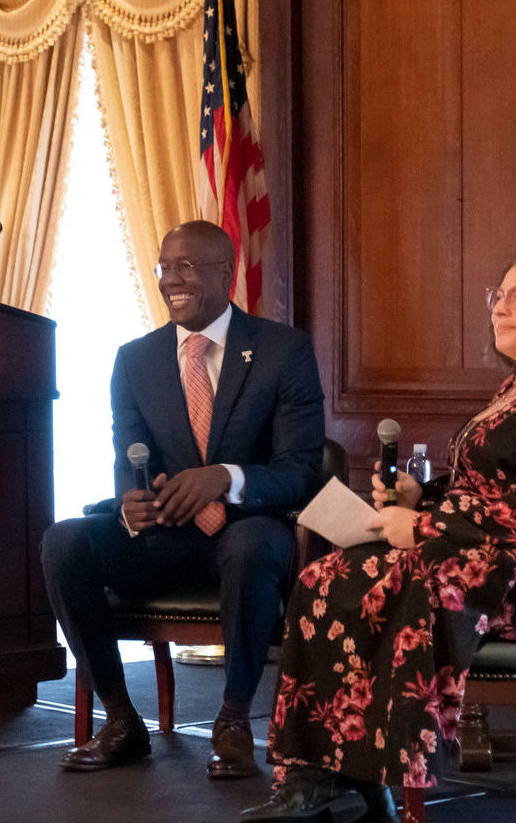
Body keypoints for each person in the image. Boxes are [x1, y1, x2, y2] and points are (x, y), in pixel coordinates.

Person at [243, 247, 516, 823]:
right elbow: (489, 487)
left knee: (344, 580)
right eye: (496, 295)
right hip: (483, 557)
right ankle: (332, 774)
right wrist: (420, 498)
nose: (499, 308)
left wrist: (422, 526)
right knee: (327, 575)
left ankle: (348, 776)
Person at [42, 220, 325, 779]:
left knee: (250, 548)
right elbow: (130, 460)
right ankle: (122, 720)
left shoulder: (282, 351)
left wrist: (224, 476)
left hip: (247, 527)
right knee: (64, 542)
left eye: (187, 267)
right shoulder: (135, 359)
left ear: (226, 272)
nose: (171, 279)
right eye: (164, 268)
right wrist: (131, 504)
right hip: (166, 535)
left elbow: (301, 472)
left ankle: (235, 719)